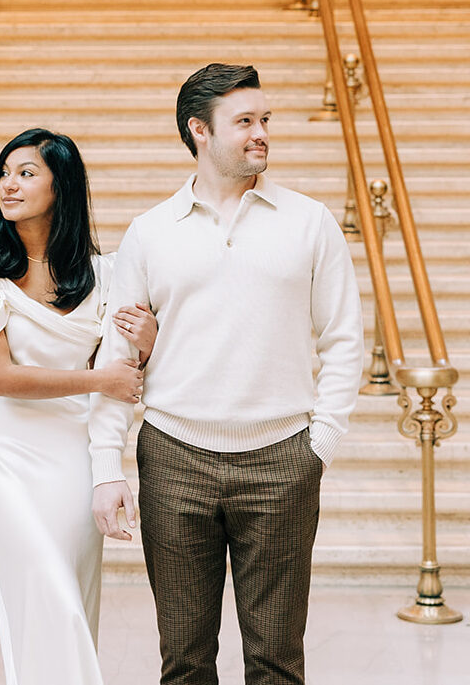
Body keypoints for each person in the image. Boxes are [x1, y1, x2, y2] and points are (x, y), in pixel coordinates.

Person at [88, 64, 365, 685]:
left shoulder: (310, 222)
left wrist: (319, 442)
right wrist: (106, 468)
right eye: (245, 121)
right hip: (173, 456)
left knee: (276, 661)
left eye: (264, 120)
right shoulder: (150, 233)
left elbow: (345, 339)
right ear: (199, 131)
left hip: (282, 460)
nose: (261, 133)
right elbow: (117, 359)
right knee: (184, 661)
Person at [0, 127, 157, 685]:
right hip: (3, 456)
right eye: (3, 173)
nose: (7, 185)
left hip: (72, 454)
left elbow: (130, 368)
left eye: (26, 173)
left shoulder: (106, 273)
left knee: (73, 593)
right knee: (46, 590)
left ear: (60, 186)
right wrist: (97, 381)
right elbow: (0, 377)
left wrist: (150, 338)